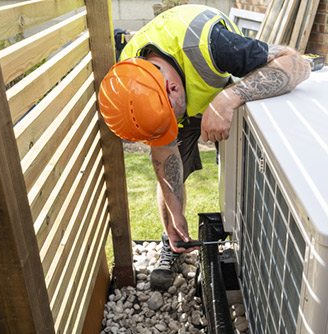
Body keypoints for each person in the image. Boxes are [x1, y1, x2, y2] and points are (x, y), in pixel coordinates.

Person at [99, 4, 311, 290]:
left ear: (172, 89)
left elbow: (296, 64)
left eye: (168, 122)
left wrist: (227, 99)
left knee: (240, 168)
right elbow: (164, 155)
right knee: (172, 175)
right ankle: (170, 241)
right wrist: (175, 215)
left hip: (219, 79)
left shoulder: (214, 45)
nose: (168, 133)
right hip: (182, 90)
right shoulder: (132, 81)